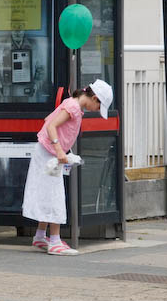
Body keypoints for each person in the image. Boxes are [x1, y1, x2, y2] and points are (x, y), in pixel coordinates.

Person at [22, 79, 113, 255]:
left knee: (48, 192)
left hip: (47, 152)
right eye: (98, 106)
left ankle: (41, 235)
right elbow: (51, 126)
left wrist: (63, 151)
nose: (96, 111)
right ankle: (54, 241)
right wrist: (59, 150)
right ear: (94, 98)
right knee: (54, 194)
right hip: (50, 154)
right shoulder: (73, 107)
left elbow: (51, 124)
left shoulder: (72, 105)